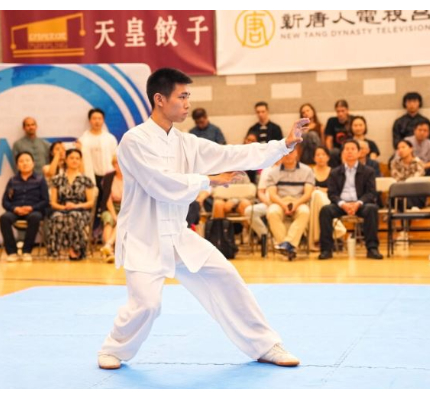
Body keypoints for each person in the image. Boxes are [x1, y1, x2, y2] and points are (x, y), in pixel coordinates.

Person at [98, 68, 305, 370]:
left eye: (187, 97)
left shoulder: (186, 142)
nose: (187, 103)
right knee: (147, 306)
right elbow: (162, 185)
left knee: (226, 277)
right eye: (181, 96)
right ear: (159, 99)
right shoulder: (133, 141)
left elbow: (231, 153)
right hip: (144, 238)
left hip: (178, 235)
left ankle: (265, 345)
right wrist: (210, 181)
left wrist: (282, 145)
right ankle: (113, 348)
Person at [318, 140, 384, 260]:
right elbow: (332, 194)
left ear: (359, 152)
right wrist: (343, 204)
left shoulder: (368, 171)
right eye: (346, 149)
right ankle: (326, 250)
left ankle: (372, 248)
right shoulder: (335, 172)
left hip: (360, 203)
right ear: (342, 153)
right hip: (341, 205)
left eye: (353, 149)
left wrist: (358, 203)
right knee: (325, 210)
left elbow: (371, 193)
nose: (349, 152)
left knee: (372, 209)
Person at [0, 152, 49, 262]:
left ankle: (27, 251)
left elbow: (46, 201)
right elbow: (5, 201)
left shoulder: (40, 180)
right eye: (21, 161)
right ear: (17, 165)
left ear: (33, 163)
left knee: (35, 217)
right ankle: (12, 252)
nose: (24, 163)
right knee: (4, 218)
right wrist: (14, 209)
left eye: (27, 160)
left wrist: (32, 208)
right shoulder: (12, 181)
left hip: (33, 211)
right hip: (16, 210)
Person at [47, 149, 96, 260]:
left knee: (74, 215)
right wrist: (63, 207)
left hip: (80, 210)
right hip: (62, 208)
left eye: (77, 158)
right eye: (72, 158)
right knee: (57, 217)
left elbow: (90, 202)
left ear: (80, 161)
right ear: (66, 160)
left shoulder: (85, 180)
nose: (74, 160)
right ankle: (56, 251)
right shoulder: (57, 179)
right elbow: (53, 202)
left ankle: (75, 250)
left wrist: (76, 206)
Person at [266, 150, 314, 261]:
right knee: (272, 212)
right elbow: (272, 194)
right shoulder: (273, 172)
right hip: (280, 201)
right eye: (285, 153)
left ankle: (288, 244)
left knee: (304, 212)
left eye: (291, 152)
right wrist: (283, 205)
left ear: (296, 153)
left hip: (299, 200)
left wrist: (296, 204)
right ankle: (286, 246)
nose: (288, 155)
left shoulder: (307, 170)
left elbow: (308, 193)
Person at [78, 108, 119, 188]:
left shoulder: (110, 138)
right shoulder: (83, 140)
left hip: (108, 174)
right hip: (91, 176)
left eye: (99, 118)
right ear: (90, 120)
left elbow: (115, 158)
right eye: (94, 118)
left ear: (103, 120)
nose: (97, 121)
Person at [99, 155, 123, 263]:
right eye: (117, 163)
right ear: (114, 165)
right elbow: (107, 199)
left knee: (122, 221)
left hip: (126, 208)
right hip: (110, 207)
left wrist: (120, 215)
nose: (119, 165)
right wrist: (114, 215)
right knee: (108, 220)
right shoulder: (108, 177)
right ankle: (110, 250)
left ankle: (108, 246)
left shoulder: (131, 178)